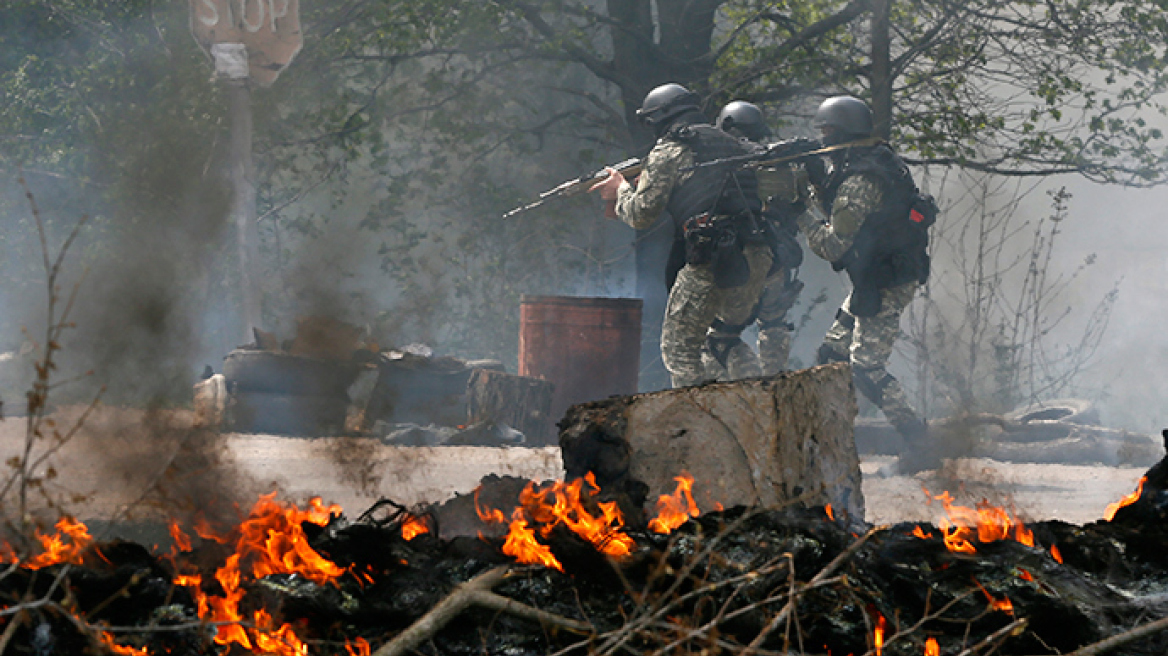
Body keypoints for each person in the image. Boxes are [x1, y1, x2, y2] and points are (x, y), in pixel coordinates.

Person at [589, 83, 772, 388]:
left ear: (660, 118)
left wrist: (619, 189)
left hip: (714, 259)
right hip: (755, 255)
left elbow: (640, 214)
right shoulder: (731, 143)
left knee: (679, 352)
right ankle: (757, 410)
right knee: (724, 339)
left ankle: (695, 427)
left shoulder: (669, 150)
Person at [795, 95, 937, 473]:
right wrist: (811, 182)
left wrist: (798, 212)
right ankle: (826, 441)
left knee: (866, 368)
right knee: (830, 357)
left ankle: (919, 442)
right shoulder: (866, 162)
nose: (822, 140)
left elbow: (832, 244)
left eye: (827, 132)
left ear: (841, 132)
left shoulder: (860, 178)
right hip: (875, 277)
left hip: (886, 281)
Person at [703, 100, 810, 379]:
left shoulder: (727, 165)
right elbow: (801, 204)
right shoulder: (783, 165)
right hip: (780, 257)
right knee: (774, 323)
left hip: (743, 259)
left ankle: (748, 390)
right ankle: (775, 384)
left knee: (720, 336)